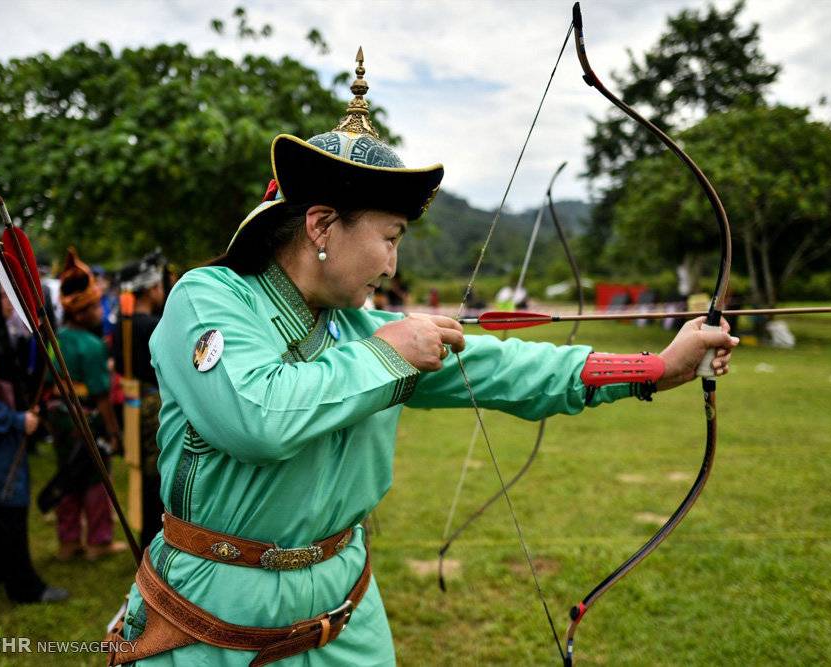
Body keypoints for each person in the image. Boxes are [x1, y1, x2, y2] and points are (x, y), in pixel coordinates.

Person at [106, 54, 736, 666]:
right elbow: (257, 417)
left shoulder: (363, 326)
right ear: (322, 226)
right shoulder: (209, 297)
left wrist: (659, 369)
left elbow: (510, 369)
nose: (392, 265)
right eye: (389, 238)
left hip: (343, 608)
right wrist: (388, 354)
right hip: (214, 605)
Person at [0, 271, 68, 603]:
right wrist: (17, 420)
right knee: (8, 507)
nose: (9, 304)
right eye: (4, 297)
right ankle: (23, 586)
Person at [48, 248, 125, 561]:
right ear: (79, 312)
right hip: (86, 418)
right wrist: (113, 430)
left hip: (59, 417)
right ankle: (98, 541)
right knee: (96, 478)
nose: (99, 311)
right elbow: (101, 395)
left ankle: (68, 542)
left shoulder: (58, 337)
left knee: (67, 474)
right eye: (94, 307)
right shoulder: (92, 345)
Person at [111, 252, 168, 550]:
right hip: (152, 404)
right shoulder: (152, 326)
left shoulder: (123, 322)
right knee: (154, 474)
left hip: (131, 401)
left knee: (141, 472)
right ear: (150, 288)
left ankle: (146, 533)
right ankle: (152, 537)